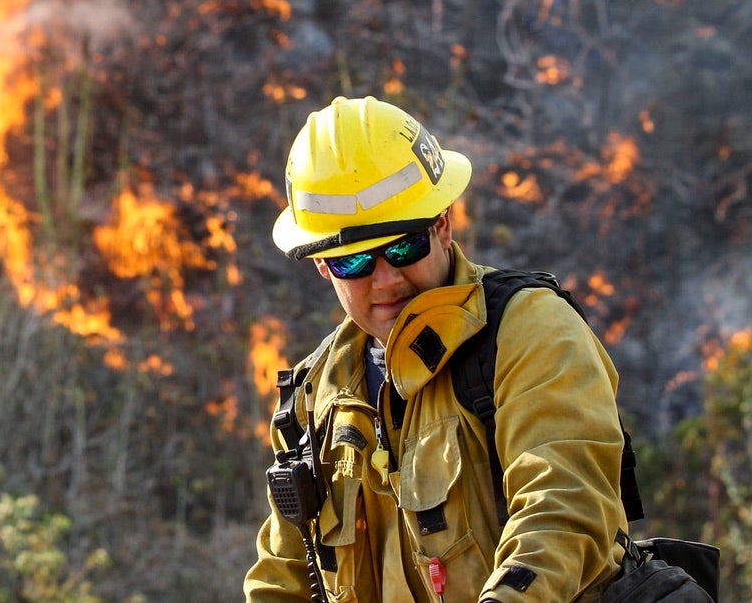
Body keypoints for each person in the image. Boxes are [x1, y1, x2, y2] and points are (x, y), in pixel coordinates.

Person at [244, 95, 628, 602]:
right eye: (354, 263)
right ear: (323, 266)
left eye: (403, 246)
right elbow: (281, 581)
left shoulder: (528, 332)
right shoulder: (315, 398)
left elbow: (565, 507)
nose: (385, 279)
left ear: (443, 224)